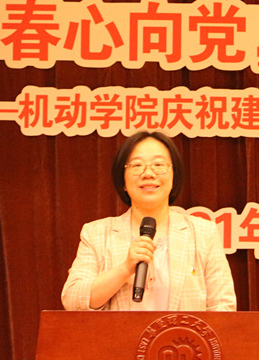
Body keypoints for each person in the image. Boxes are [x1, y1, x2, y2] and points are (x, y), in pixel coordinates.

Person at [61, 131, 236, 311]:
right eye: (137, 165)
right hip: (122, 331)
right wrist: (125, 269)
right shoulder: (97, 234)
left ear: (174, 176)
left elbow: (223, 306)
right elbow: (72, 300)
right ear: (123, 180)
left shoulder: (203, 233)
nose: (148, 173)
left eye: (159, 165)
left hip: (183, 332)